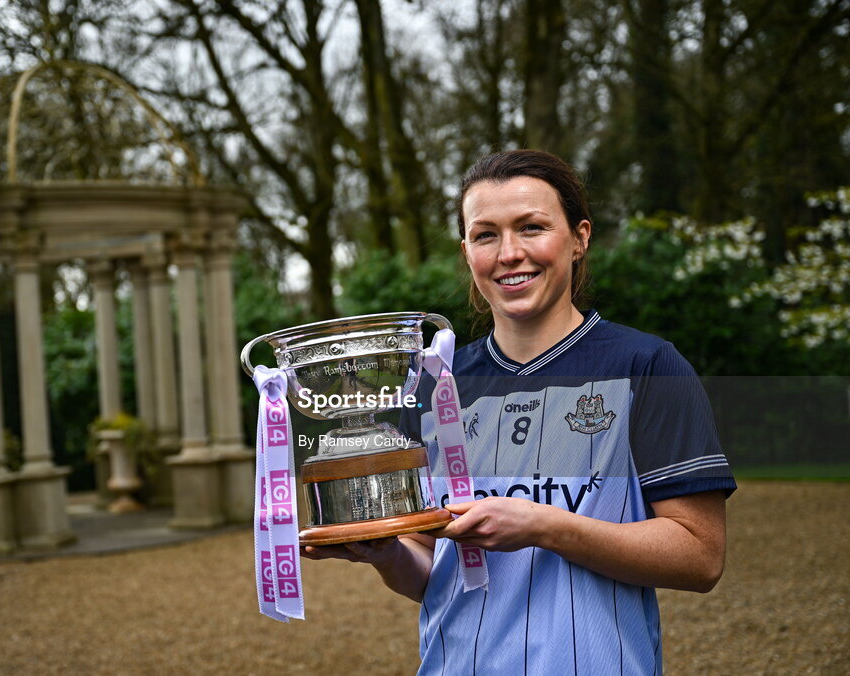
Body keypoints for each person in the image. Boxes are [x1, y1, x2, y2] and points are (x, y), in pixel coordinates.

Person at [302, 149, 736, 674]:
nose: (510, 253)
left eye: (532, 227)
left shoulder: (647, 366)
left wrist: (543, 526)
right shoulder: (432, 385)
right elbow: (429, 569)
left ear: (579, 238)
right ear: (467, 252)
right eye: (486, 235)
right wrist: (386, 553)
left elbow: (700, 557)